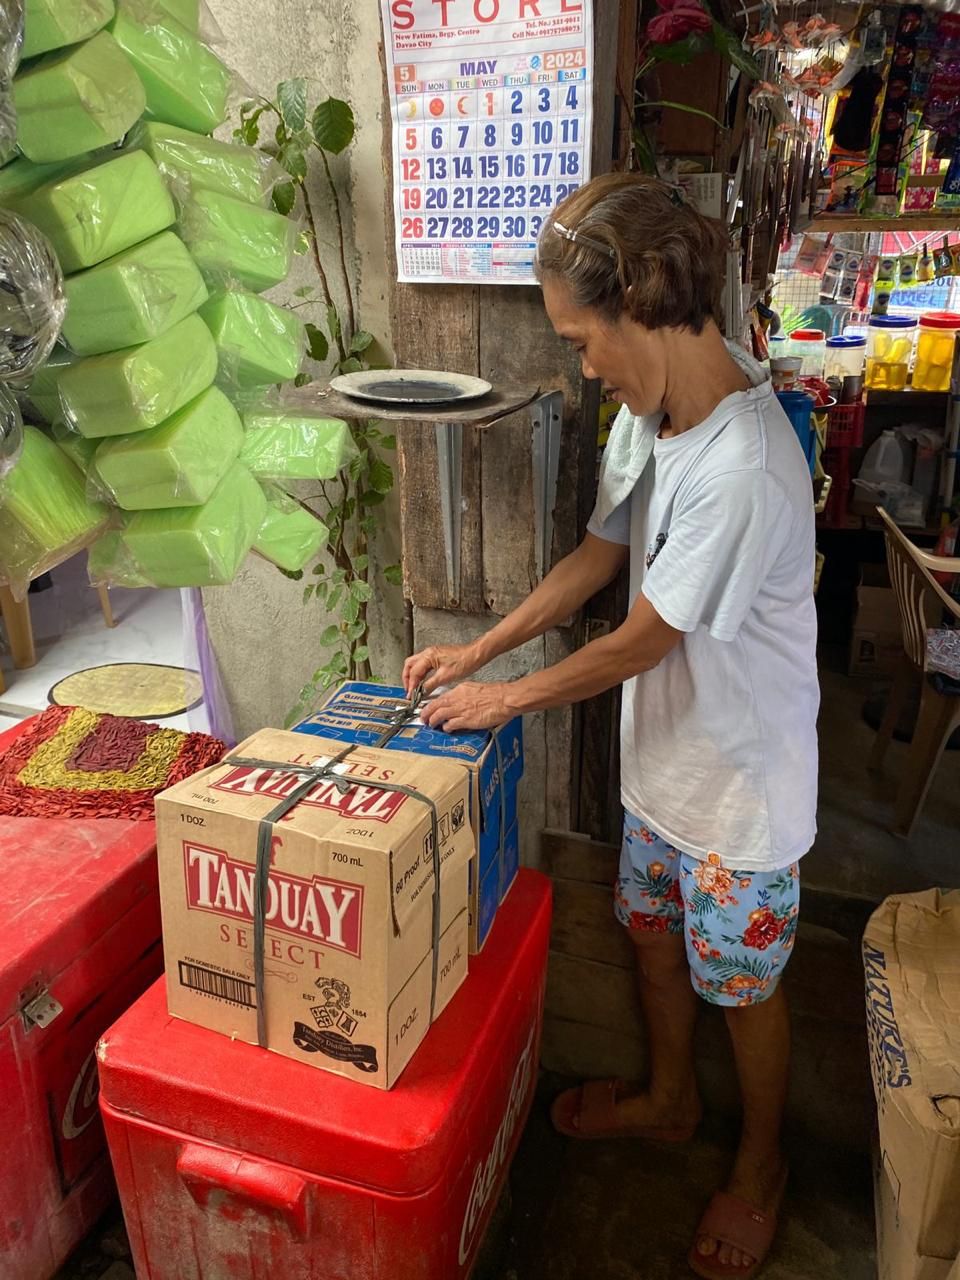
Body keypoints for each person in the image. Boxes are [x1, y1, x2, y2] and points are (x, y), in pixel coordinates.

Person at [403, 172, 819, 1280]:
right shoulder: (650, 413)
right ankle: (669, 1099)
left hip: (743, 789)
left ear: (646, 304)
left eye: (585, 339)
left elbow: (643, 636)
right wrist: (484, 646)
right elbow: (600, 554)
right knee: (648, 941)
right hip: (661, 769)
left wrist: (503, 700)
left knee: (744, 985)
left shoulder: (747, 460)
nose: (581, 364)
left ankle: (764, 1161)